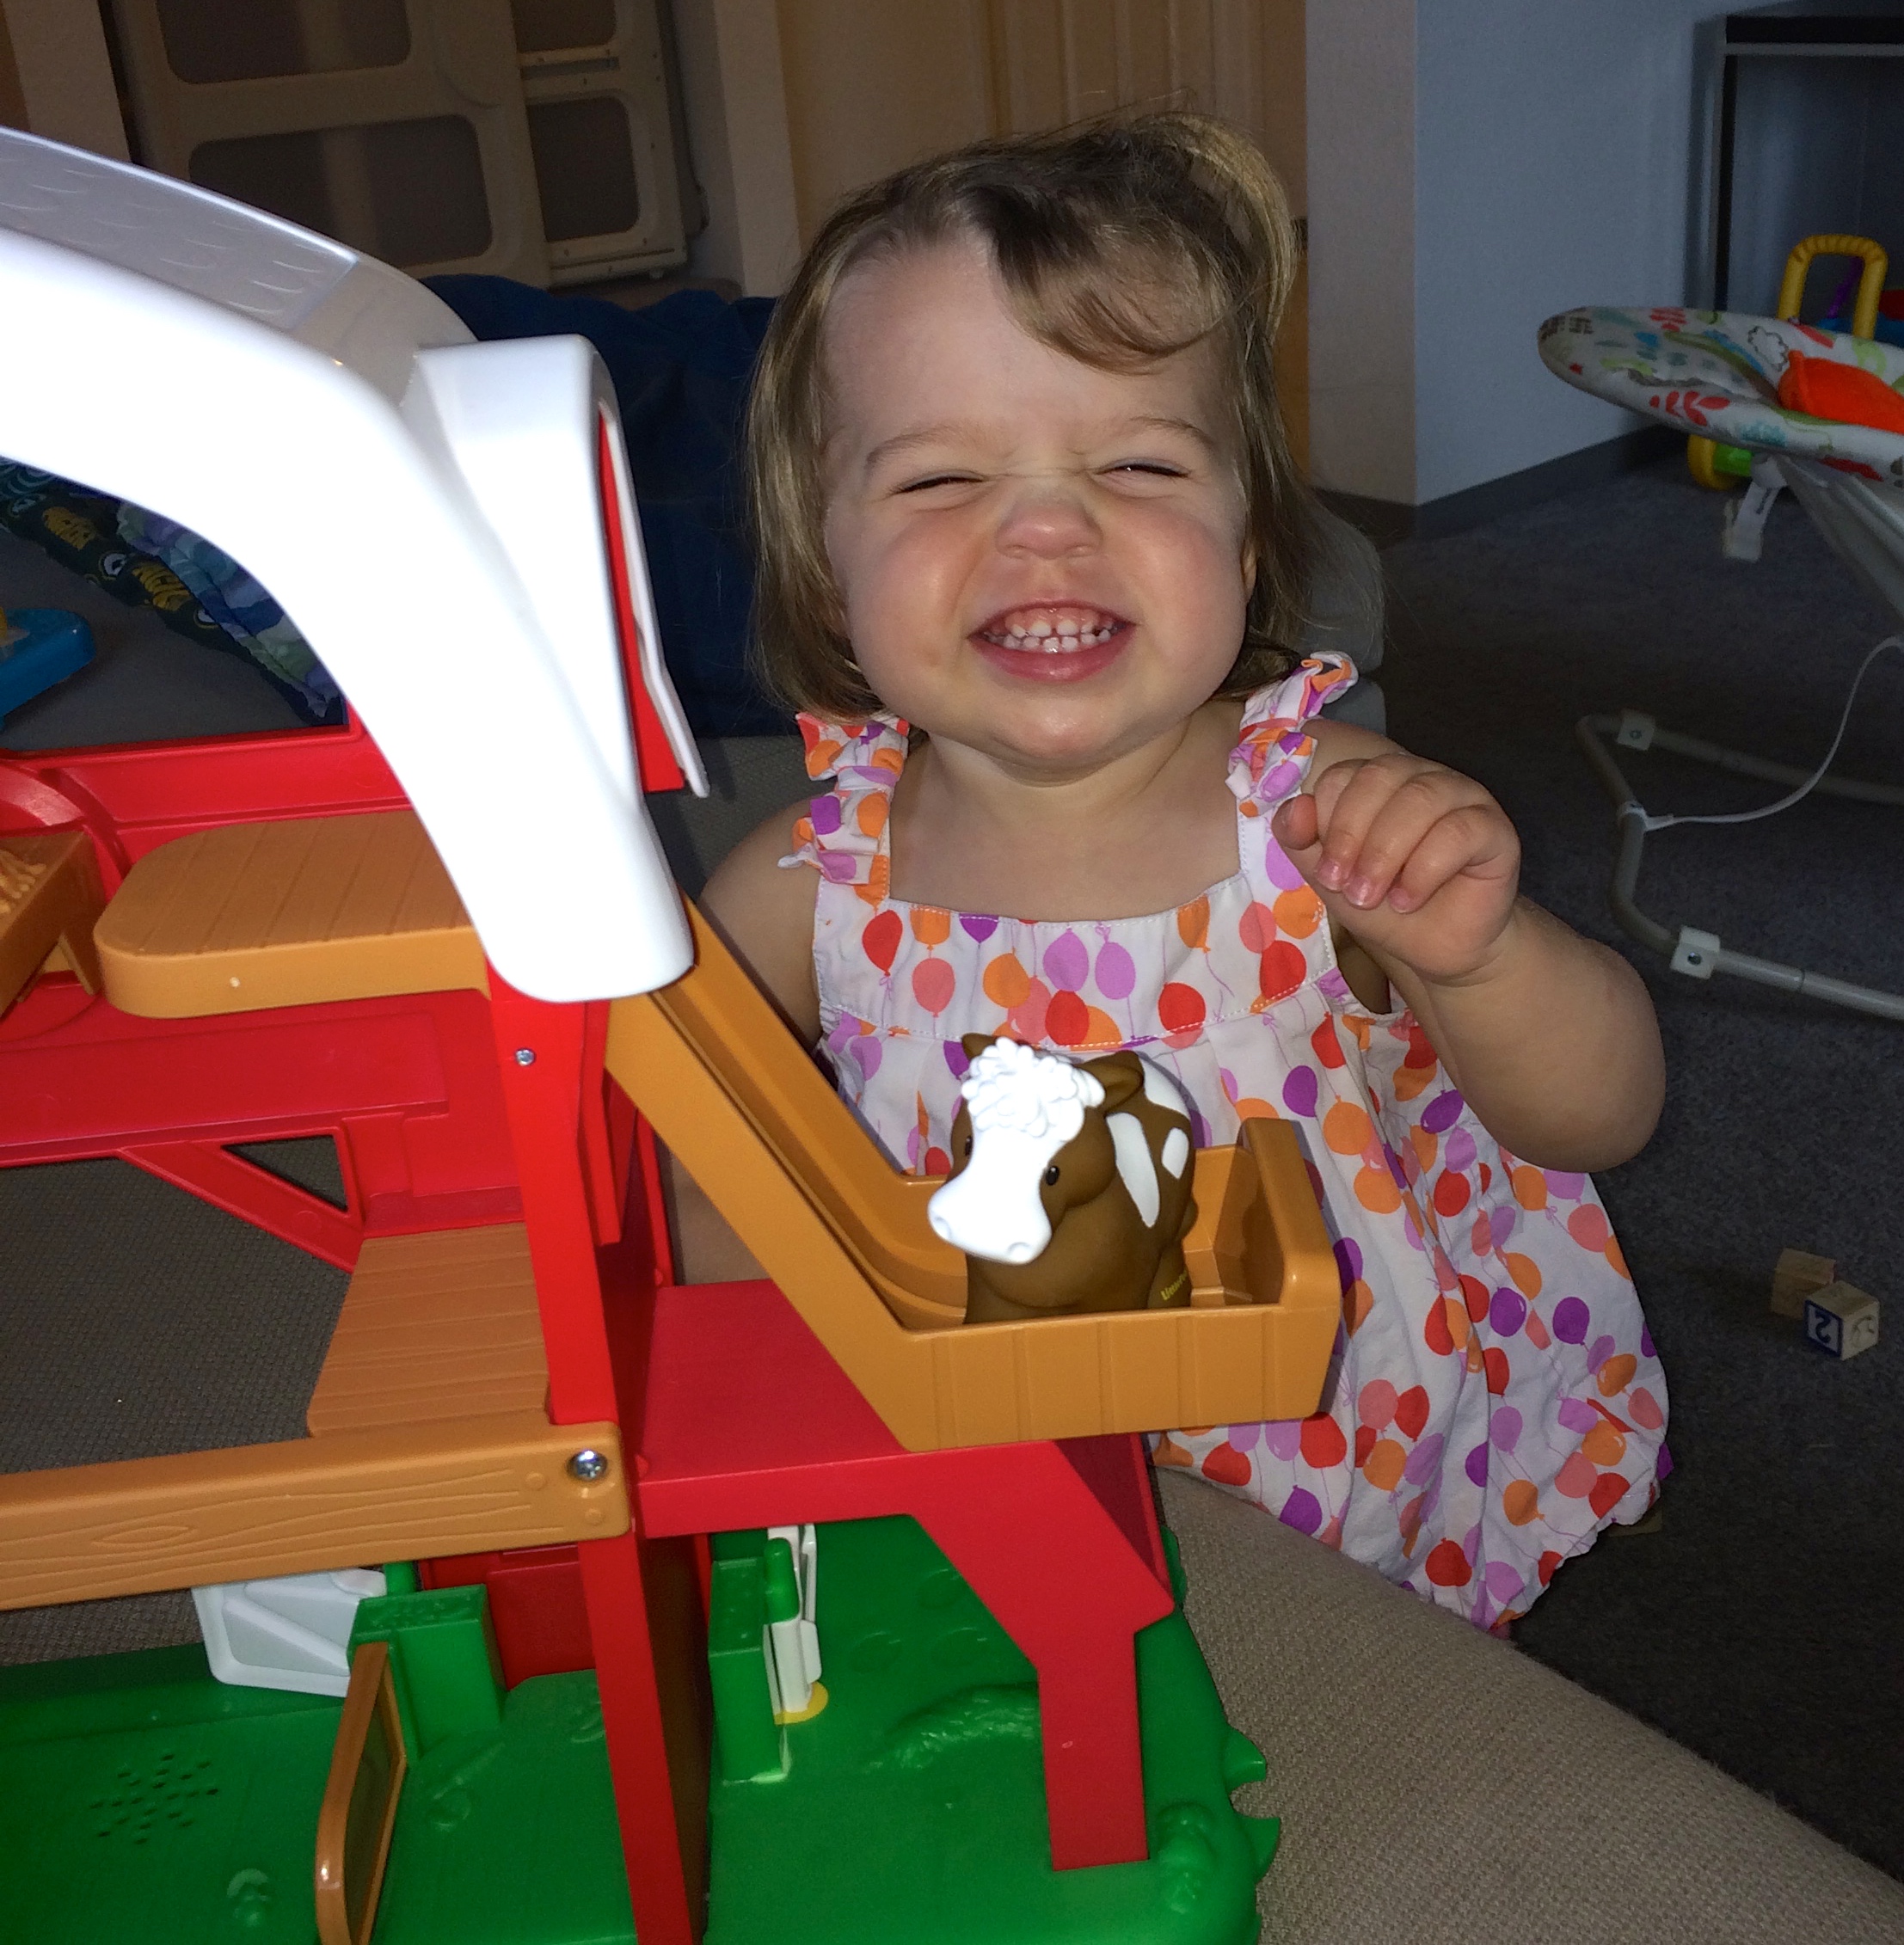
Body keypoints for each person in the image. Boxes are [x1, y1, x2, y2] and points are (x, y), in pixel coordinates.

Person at [697, 112, 1668, 1629]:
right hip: (982, 1452)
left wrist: (1482, 962)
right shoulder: (809, 879)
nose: (1046, 528)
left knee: (1322, 1707)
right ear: (827, 572)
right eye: (940, 479)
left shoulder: (1319, 812)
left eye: (1138, 462)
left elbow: (1599, 1114)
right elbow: (688, 1162)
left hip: (1335, 1451)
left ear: (1247, 541)